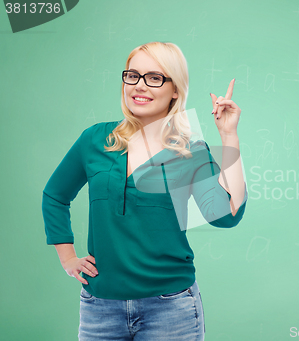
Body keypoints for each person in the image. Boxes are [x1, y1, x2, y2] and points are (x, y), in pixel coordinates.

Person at [41, 41, 248, 340]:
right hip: (99, 308)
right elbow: (55, 195)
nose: (140, 86)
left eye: (154, 78)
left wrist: (229, 136)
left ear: (175, 89)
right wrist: (67, 258)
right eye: (133, 75)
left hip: (171, 309)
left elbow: (226, 216)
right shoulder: (96, 139)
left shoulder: (190, 150)